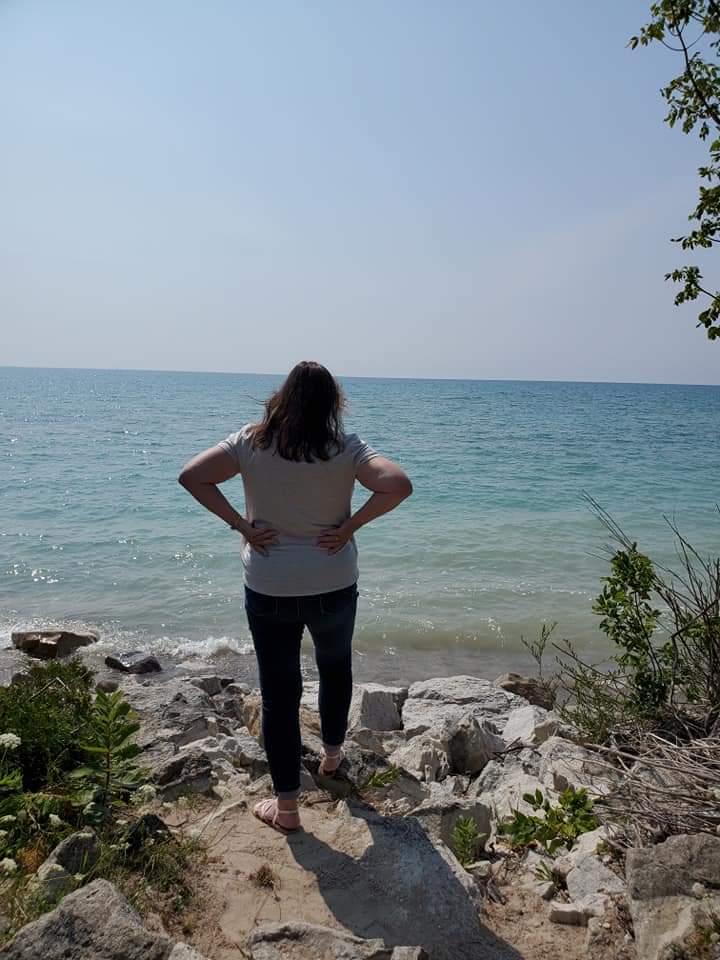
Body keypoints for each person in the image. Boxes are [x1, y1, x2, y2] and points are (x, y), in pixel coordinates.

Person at [178, 361, 412, 833]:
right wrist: (350, 526)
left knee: (280, 694)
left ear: (282, 398)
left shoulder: (249, 441)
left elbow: (192, 476)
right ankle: (330, 757)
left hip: (270, 585)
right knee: (334, 667)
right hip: (333, 583)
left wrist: (243, 527)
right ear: (333, 404)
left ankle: (286, 809)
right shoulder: (345, 448)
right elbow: (398, 485)